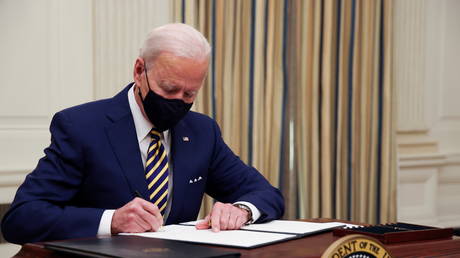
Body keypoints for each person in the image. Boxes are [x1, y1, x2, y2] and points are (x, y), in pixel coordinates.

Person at [1, 23, 284, 245]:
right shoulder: (81, 127)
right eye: (169, 88)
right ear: (139, 71)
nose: (178, 100)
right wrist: (112, 221)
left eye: (189, 93)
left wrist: (243, 210)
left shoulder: (201, 131)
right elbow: (22, 218)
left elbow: (265, 194)